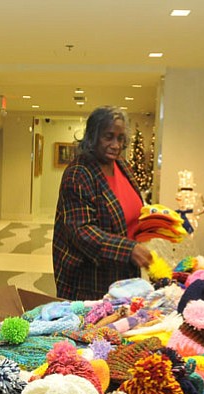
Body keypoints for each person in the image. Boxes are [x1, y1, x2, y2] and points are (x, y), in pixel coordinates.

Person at [52, 105, 152, 300]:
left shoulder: (122, 165)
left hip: (124, 275)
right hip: (90, 281)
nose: (115, 144)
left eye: (120, 138)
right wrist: (129, 249)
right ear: (93, 136)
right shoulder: (79, 173)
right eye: (108, 137)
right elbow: (82, 232)